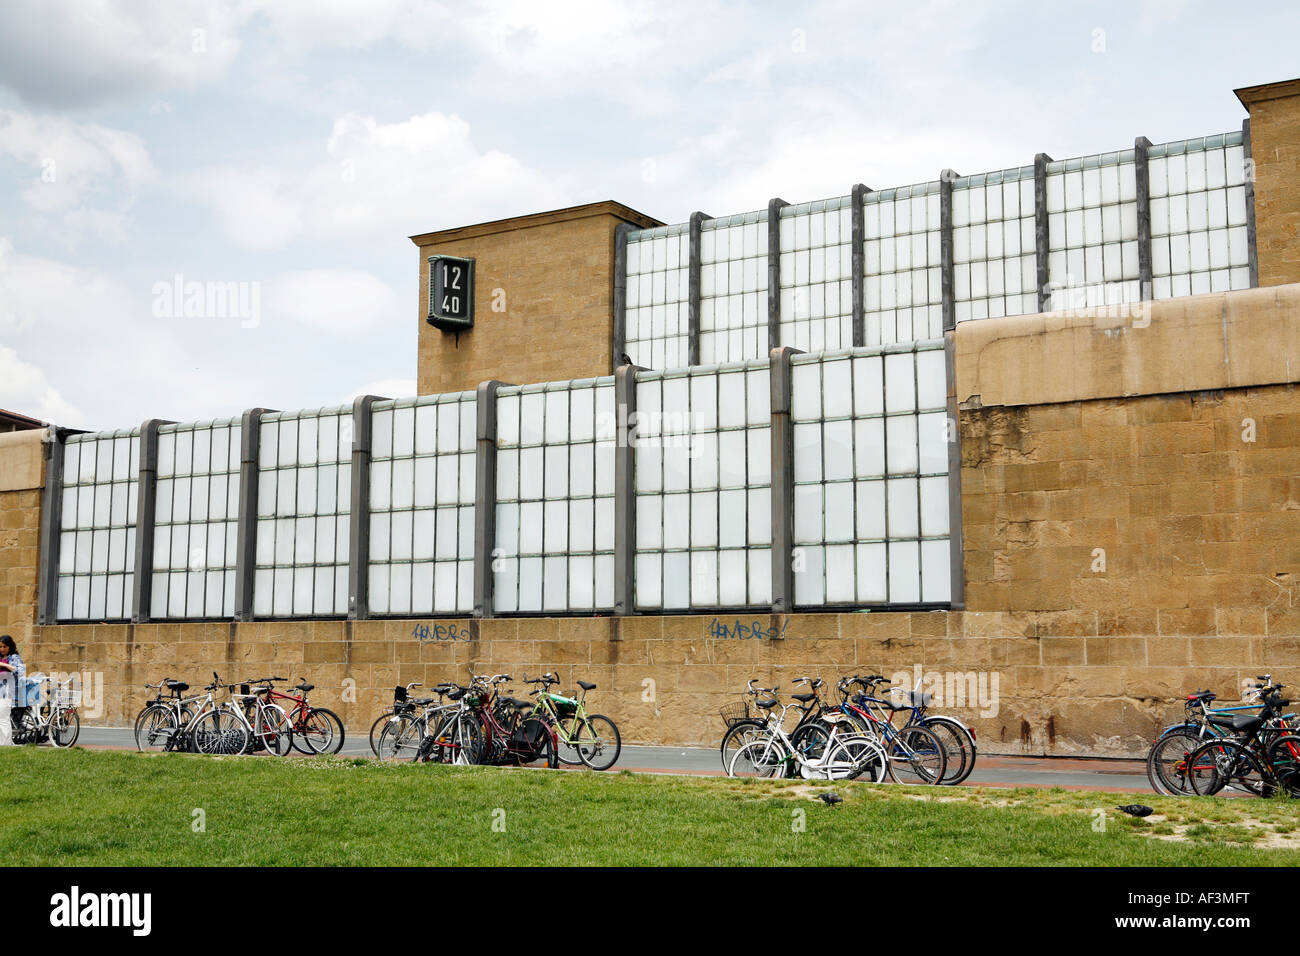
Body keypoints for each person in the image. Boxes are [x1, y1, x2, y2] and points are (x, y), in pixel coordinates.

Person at [0, 635, 27, 733]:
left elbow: (20, 671)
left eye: (4, 646)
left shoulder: (14, 658)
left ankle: (5, 743)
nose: (2, 649)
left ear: (9, 646)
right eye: (0, 647)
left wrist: (4, 665)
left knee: (3, 720)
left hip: (9, 692)